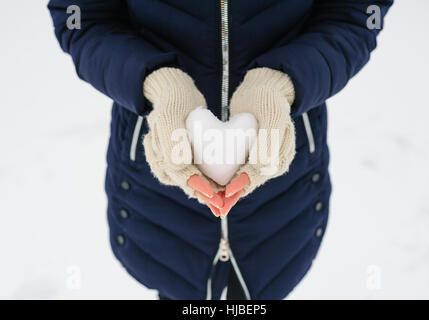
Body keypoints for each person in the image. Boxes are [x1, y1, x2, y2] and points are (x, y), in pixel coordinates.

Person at [48, 0, 393, 300]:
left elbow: (361, 12)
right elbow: (79, 16)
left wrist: (283, 83)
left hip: (284, 180)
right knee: (176, 286)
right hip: (157, 186)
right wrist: (157, 83)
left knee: (267, 283)